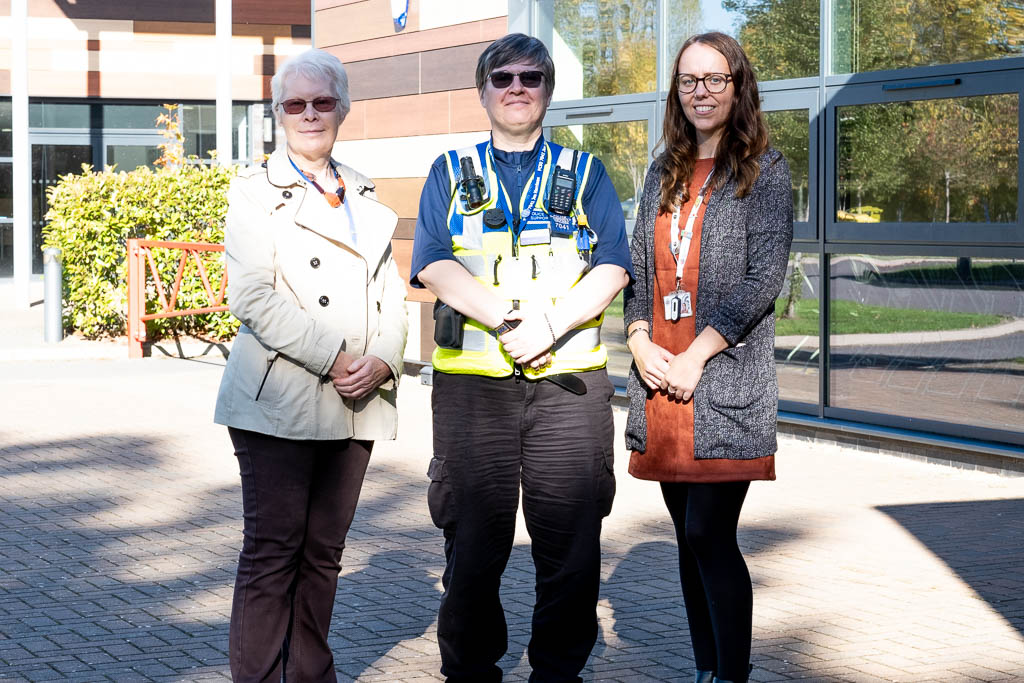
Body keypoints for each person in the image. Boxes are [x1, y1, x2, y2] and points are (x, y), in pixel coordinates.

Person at [409, 32, 634, 683]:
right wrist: (508, 321)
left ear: (548, 91)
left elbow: (614, 264)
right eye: (502, 77)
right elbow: (433, 262)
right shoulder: (449, 171)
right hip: (473, 392)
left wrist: (550, 326)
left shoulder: (585, 173)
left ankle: (558, 673)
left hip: (567, 386)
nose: (516, 88)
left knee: (571, 548)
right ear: (483, 91)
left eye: (530, 78)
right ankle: (470, 670)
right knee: (472, 545)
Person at [213, 48, 408, 682]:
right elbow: (252, 297)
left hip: (356, 397)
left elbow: (392, 296)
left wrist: (383, 359)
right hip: (279, 398)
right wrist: (336, 357)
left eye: (322, 102)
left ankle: (309, 675)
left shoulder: (363, 191)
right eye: (294, 104)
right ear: (277, 113)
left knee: (324, 553)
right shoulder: (252, 192)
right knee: (273, 554)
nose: (309, 114)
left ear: (342, 108)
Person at [622, 32, 794, 683]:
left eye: (715, 79)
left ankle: (730, 674)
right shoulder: (662, 169)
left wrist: (696, 353)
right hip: (662, 381)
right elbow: (638, 270)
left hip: (721, 382)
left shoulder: (764, 169)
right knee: (686, 540)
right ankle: (706, 670)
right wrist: (638, 340)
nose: (701, 92)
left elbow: (763, 278)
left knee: (707, 534)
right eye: (689, 80)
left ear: (737, 86)